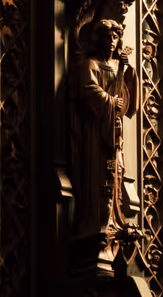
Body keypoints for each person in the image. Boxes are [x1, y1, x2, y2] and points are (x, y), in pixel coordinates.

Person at [70, 18, 139, 239]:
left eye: (115, 37)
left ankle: (114, 217)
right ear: (99, 39)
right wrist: (109, 100)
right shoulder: (91, 64)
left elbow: (131, 102)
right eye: (107, 37)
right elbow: (88, 90)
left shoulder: (119, 66)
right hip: (95, 133)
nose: (111, 41)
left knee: (116, 170)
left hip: (115, 130)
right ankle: (96, 218)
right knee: (100, 174)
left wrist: (127, 70)